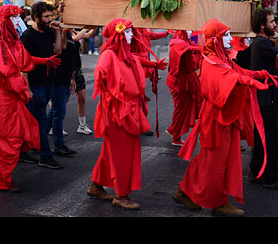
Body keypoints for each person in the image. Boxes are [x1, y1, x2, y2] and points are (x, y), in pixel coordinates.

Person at [173, 19, 272, 216]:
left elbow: (235, 71)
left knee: (214, 159)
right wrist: (245, 80)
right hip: (217, 119)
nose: (230, 38)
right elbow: (225, 78)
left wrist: (255, 75)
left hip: (225, 116)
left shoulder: (221, 58)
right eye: (225, 35)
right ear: (215, 39)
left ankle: (186, 191)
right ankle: (216, 201)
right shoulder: (211, 60)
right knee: (216, 161)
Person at [0, 4, 60, 191]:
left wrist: (45, 60)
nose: (18, 21)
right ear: (5, 21)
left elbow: (26, 60)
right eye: (14, 18)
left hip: (12, 96)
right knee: (3, 139)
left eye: (18, 17)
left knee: (11, 137)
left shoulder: (14, 43)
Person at [87, 18, 167, 211]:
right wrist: (114, 95)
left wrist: (153, 65)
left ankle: (96, 185)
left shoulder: (123, 53)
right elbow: (101, 77)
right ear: (120, 34)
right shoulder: (108, 55)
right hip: (117, 112)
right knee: (123, 153)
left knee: (111, 151)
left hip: (127, 110)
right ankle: (121, 195)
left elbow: (135, 60)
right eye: (129, 32)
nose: (133, 35)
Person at [248, 9, 278, 191]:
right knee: (272, 136)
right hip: (266, 96)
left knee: (263, 136)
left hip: (266, 94)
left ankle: (256, 171)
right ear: (262, 25)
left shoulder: (261, 42)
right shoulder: (261, 43)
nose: (275, 25)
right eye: (272, 22)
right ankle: (272, 178)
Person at [20, 1, 64, 169]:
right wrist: (27, 88)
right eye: (45, 16)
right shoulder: (28, 36)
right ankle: (45, 155)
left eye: (50, 16)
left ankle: (22, 151)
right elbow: (23, 63)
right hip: (35, 84)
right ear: (36, 17)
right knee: (40, 120)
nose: (49, 19)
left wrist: (58, 32)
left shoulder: (48, 32)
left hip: (47, 83)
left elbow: (58, 51)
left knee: (31, 120)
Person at [165, 30, 203, 146]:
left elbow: (194, 46)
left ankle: (173, 130)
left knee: (187, 107)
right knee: (181, 109)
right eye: (189, 28)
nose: (191, 31)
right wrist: (206, 49)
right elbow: (190, 48)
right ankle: (176, 137)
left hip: (188, 79)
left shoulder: (186, 39)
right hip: (179, 82)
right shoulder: (177, 41)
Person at [45, 28, 78, 157]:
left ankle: (39, 140)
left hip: (66, 78)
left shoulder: (69, 35)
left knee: (54, 111)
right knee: (59, 112)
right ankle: (58, 144)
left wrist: (72, 77)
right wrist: (62, 31)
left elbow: (71, 60)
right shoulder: (56, 34)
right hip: (57, 79)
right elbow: (61, 48)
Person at [71, 28, 95, 135]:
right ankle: (55, 126)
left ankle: (82, 125)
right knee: (62, 101)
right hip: (66, 70)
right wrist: (86, 27)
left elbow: (89, 35)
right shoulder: (63, 33)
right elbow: (76, 38)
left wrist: (95, 26)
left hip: (77, 69)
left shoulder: (75, 31)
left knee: (82, 98)